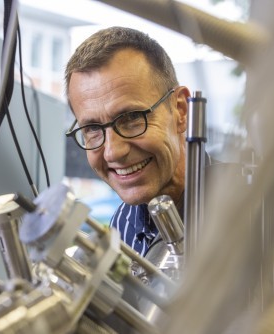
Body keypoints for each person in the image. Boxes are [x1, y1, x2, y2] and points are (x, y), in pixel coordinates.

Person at [65, 26, 190, 255]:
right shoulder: (122, 226)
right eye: (92, 128)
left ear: (180, 110)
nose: (112, 152)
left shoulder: (250, 210)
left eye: (131, 118)